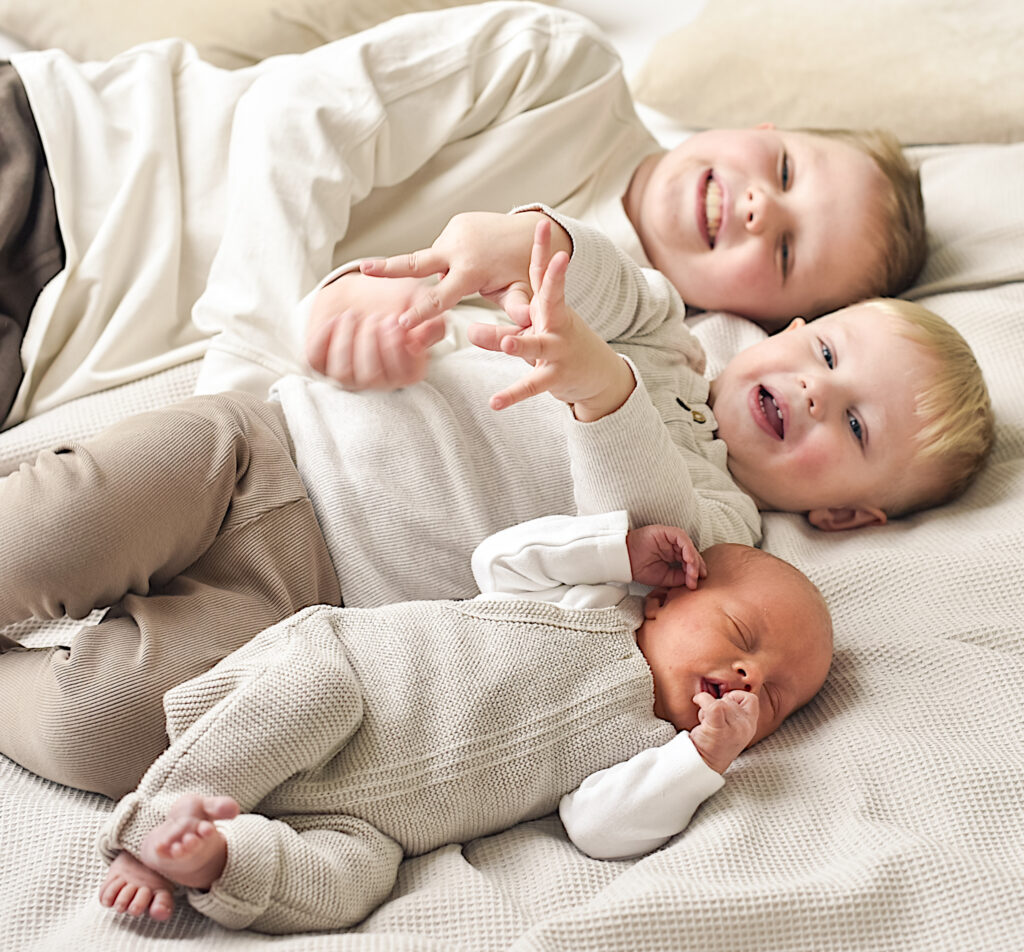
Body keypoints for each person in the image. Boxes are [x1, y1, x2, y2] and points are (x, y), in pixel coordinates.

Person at [0, 216, 990, 803]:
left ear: (848, 516)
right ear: (796, 325)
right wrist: (390, 292)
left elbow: (638, 526)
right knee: (43, 532)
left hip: (305, 612)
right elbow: (564, 256)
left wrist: (599, 389)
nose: (816, 390)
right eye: (827, 355)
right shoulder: (659, 330)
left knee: (109, 729)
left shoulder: (730, 543)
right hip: (265, 448)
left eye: (854, 426)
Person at [2, 1, 925, 425]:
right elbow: (301, 117)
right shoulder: (563, 68)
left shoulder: (610, 363)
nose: (761, 205)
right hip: (75, 164)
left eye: (788, 250)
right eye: (786, 169)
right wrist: (267, 348)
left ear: (763, 319)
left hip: (53, 356)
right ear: (758, 128)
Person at [95, 510, 834, 933]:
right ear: (667, 598)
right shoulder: (592, 603)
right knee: (305, 700)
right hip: (349, 684)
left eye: (772, 697)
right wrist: (616, 550)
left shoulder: (657, 752)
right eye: (742, 636)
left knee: (353, 886)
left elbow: (598, 827)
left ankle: (216, 857)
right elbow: (501, 560)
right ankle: (154, 823)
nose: (749, 677)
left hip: (375, 825)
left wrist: (701, 759)